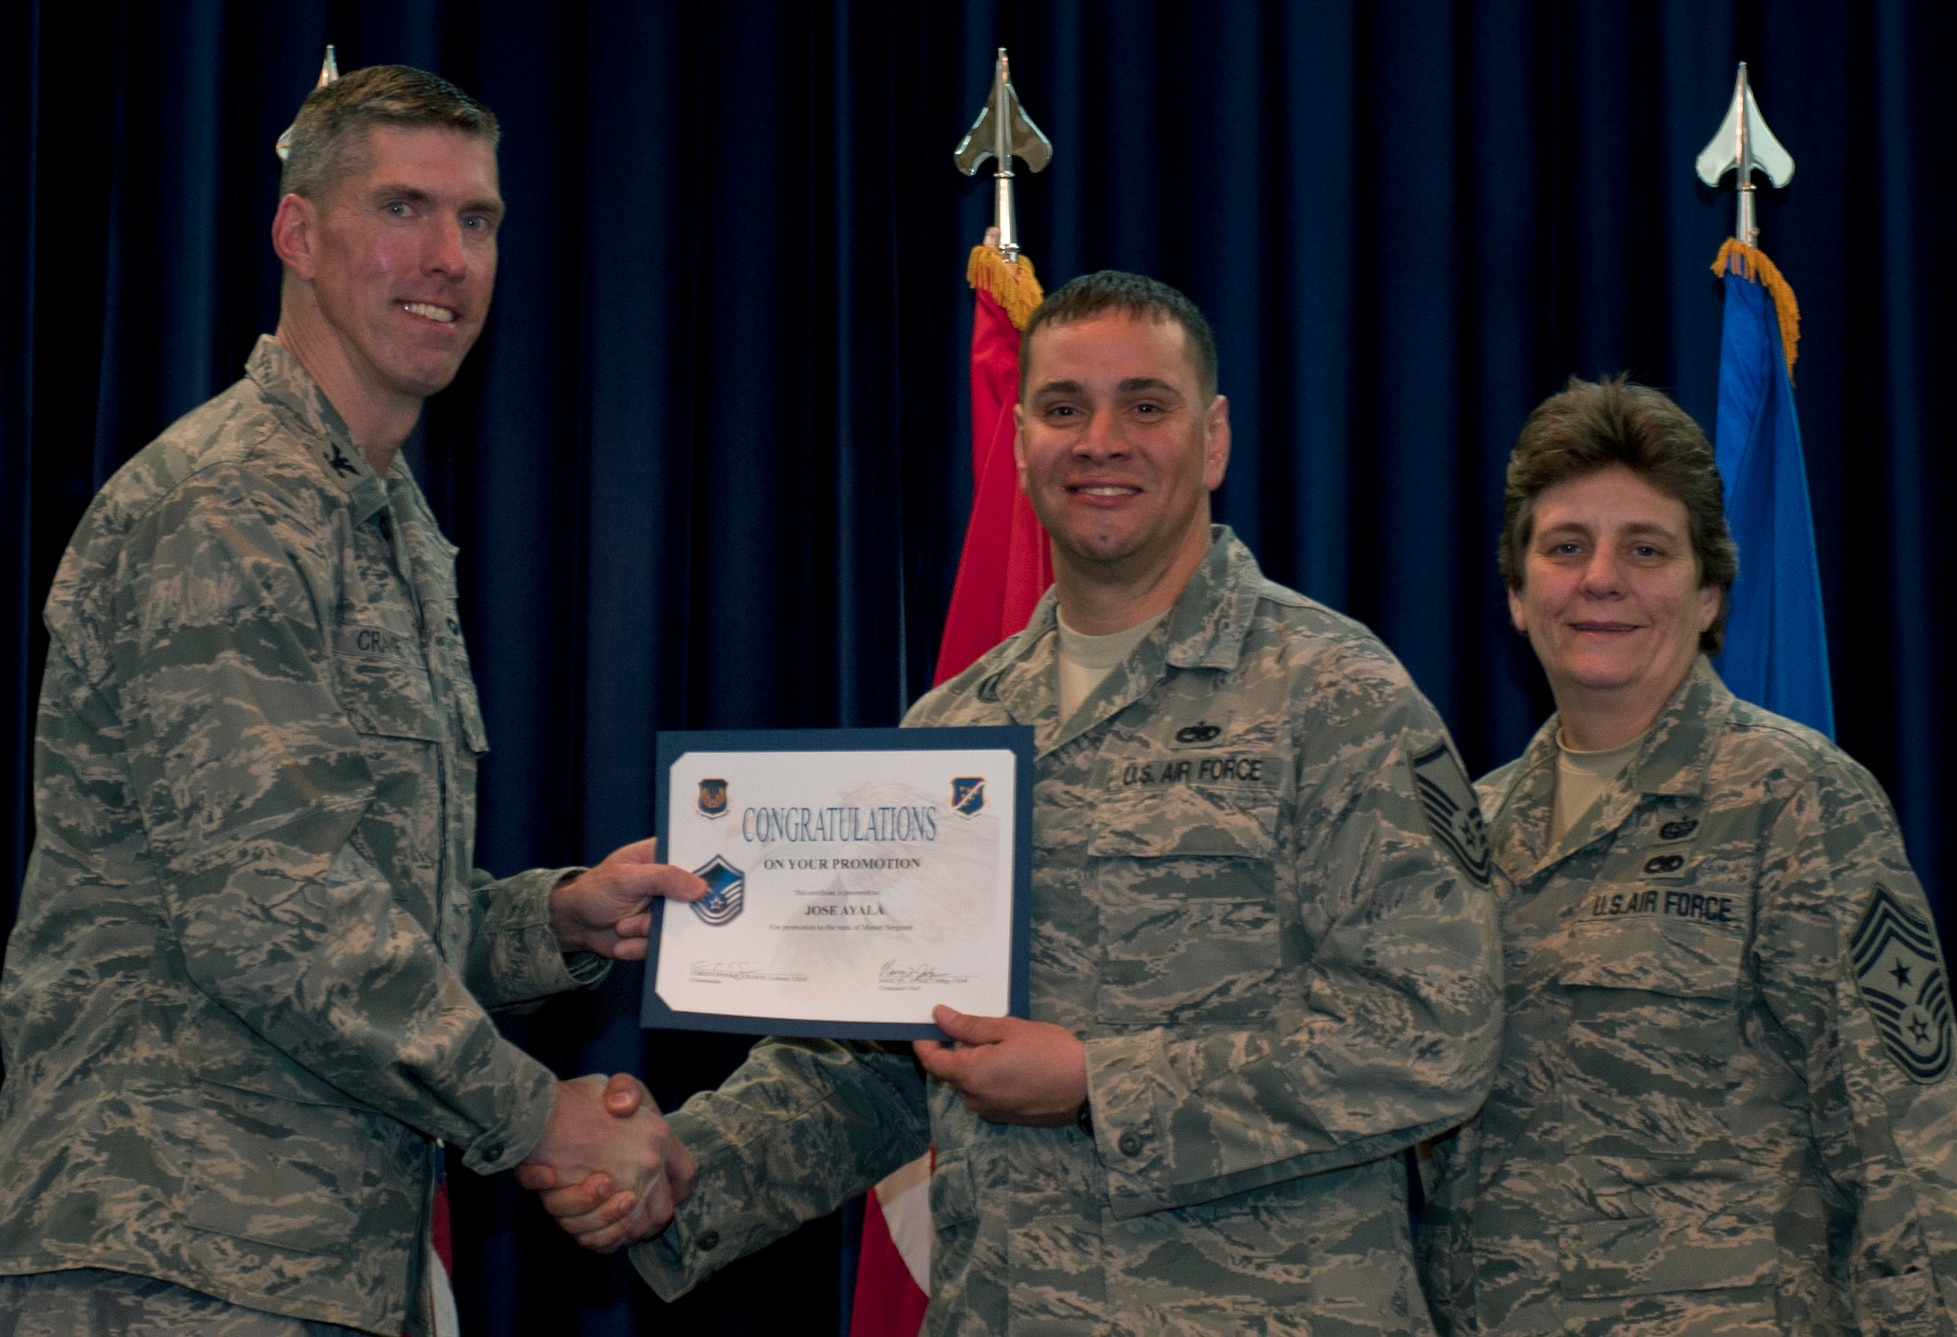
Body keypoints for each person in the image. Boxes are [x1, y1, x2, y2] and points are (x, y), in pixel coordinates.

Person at [527, 271, 1504, 1333]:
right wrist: (676, 1172)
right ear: (1019, 437)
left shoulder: (1334, 692)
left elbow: (1428, 1027)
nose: (1100, 439)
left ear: (1212, 439)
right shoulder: (951, 726)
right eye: (1061, 406)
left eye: (1144, 403)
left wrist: (1099, 1080)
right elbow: (878, 1062)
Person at [0, 66, 701, 1337]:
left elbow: (367, 898)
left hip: (306, 1258)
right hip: (171, 1249)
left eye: (476, 221)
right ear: (298, 235)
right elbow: (277, 910)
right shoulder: (223, 503)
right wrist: (532, 1109)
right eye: (400, 208)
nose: (444, 258)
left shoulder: (384, 524)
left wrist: (554, 917)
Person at [1417, 376, 1957, 1335]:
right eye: (1565, 548)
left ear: (1708, 595)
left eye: (1646, 549)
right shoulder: (1466, 834)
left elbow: (1912, 1147)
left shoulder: (1798, 800)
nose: (1601, 578)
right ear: (1518, 595)